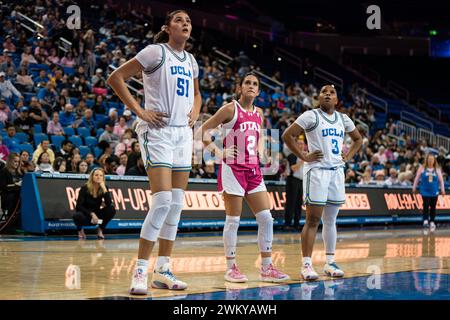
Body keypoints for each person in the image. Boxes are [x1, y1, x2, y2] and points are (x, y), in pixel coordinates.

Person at [107, 9, 202, 294]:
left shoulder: (192, 60)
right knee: (161, 202)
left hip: (182, 134)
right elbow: (116, 77)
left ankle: (163, 270)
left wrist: (195, 111)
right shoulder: (155, 52)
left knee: (175, 204)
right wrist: (139, 110)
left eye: (188, 20)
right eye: (179, 20)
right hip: (158, 131)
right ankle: (139, 271)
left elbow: (197, 93)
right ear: (167, 27)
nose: (185, 23)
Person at [195, 73, 290, 283]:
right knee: (233, 220)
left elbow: (256, 138)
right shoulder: (230, 108)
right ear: (240, 87)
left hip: (253, 169)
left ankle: (266, 267)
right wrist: (218, 153)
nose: (251, 86)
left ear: (258, 91)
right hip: (232, 170)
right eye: (247, 82)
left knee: (266, 218)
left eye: (255, 84)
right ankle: (231, 268)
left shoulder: (260, 113)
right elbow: (201, 131)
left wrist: (260, 152)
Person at [282, 85, 362, 281]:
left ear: (336, 100)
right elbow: (287, 135)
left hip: (336, 172)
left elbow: (358, 139)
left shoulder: (343, 119)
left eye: (331, 92)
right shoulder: (311, 115)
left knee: (330, 220)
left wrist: (348, 156)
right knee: (312, 220)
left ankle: (330, 262)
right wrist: (303, 156)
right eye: (323, 91)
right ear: (318, 97)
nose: (327, 93)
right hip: (317, 172)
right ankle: (306, 265)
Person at [73, 168, 116, 239]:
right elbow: (79, 206)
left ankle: (100, 229)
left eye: (101, 175)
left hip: (98, 217)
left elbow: (108, 204)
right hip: (86, 215)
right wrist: (92, 214)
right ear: (92, 177)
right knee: (77, 215)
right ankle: (80, 230)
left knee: (111, 209)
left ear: (103, 178)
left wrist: (104, 189)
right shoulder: (85, 188)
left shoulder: (104, 188)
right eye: (96, 175)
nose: (98, 177)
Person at [413, 153, 446, 231]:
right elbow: (417, 178)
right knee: (426, 205)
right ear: (426, 160)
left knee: (433, 206)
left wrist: (443, 190)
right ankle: (425, 220)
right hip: (425, 190)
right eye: (429, 159)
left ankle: (432, 221)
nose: (430, 161)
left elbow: (441, 181)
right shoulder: (422, 168)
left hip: (434, 190)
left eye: (432, 159)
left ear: (434, 161)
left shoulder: (437, 169)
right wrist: (414, 187)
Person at [284, 137, 305, 231]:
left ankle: (297, 223)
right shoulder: (292, 155)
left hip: (301, 181)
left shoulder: (306, 155)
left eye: (302, 143)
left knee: (299, 203)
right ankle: (287, 223)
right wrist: (302, 161)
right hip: (292, 180)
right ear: (296, 145)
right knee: (290, 202)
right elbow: (293, 168)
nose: (300, 145)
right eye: (299, 143)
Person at [0, 153, 22, 217]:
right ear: (10, 161)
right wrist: (15, 185)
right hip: (7, 196)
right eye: (15, 161)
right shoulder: (3, 171)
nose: (17, 163)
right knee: (17, 197)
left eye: (18, 162)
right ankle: (11, 218)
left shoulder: (19, 172)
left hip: (18, 194)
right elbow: (2, 186)